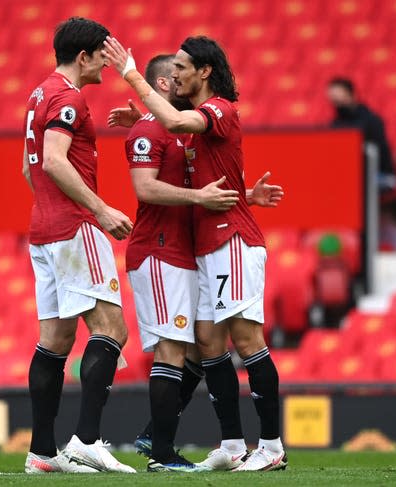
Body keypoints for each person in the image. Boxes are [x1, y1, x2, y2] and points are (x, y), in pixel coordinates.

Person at [103, 36, 287, 471]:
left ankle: (273, 447)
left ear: (204, 72)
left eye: (183, 66)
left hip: (232, 242)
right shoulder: (190, 121)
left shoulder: (219, 109)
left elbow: (182, 126)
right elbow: (208, 174)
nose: (177, 73)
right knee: (207, 343)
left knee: (247, 340)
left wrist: (131, 74)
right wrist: (145, 118)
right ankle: (231, 443)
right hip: (207, 245)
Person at [21, 17, 136, 474]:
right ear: (83, 57)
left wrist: (53, 208)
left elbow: (29, 170)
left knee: (55, 340)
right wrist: (100, 210)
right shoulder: (68, 99)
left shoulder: (38, 95)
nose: (106, 68)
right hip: (74, 228)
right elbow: (52, 160)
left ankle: (42, 454)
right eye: (101, 58)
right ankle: (86, 440)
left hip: (43, 231)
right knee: (112, 329)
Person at [121, 54, 241, 472]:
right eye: (177, 75)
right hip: (158, 252)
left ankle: (155, 434)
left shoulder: (180, 132)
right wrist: (198, 198)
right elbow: (145, 188)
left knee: (195, 350)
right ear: (164, 83)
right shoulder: (149, 130)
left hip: (183, 255)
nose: (185, 80)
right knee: (171, 350)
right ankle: (161, 455)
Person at [327, 77, 396, 191]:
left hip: (378, 173)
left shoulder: (371, 120)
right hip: (350, 175)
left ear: (350, 94)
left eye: (339, 97)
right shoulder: (336, 124)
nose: (335, 101)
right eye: (333, 98)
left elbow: (377, 151)